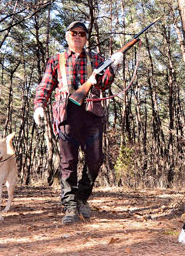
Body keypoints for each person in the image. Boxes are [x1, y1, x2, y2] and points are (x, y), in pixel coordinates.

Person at [33, 21, 123, 224]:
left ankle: (82, 197)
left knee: (95, 159)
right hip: (67, 113)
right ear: (67, 37)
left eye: (82, 33)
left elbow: (105, 84)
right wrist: (39, 105)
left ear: (86, 38)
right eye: (73, 33)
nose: (77, 36)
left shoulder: (97, 59)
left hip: (92, 113)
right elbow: (45, 85)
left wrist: (115, 65)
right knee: (68, 162)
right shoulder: (57, 60)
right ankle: (70, 206)